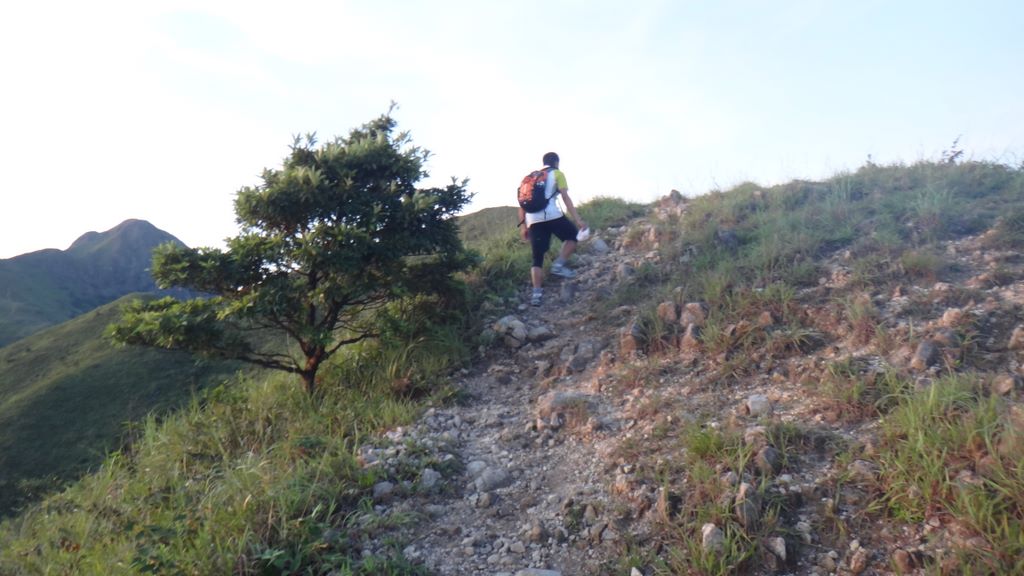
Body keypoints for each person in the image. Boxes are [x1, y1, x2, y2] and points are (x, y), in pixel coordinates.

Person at [519, 152, 587, 306]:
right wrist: (578, 219)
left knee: (537, 258)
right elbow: (565, 197)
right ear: (556, 162)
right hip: (552, 215)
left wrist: (523, 226)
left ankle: (536, 295)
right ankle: (558, 265)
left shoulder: (530, 178)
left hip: (533, 221)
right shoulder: (557, 173)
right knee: (573, 237)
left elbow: (522, 204)